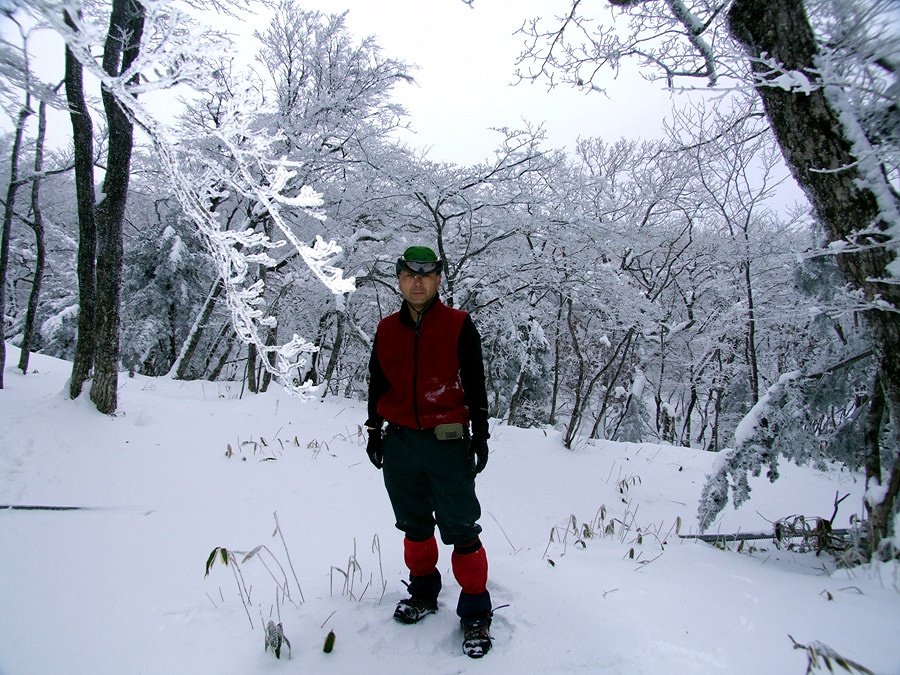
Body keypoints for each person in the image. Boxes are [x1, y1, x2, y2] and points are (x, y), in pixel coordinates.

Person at [365, 245, 494, 658]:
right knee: (414, 526)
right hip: (401, 443)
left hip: (447, 443)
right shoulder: (386, 329)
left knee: (461, 529)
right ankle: (423, 593)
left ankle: (475, 612)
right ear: (399, 280)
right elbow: (376, 383)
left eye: (426, 275)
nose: (417, 282)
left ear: (438, 279)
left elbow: (475, 382)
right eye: (409, 275)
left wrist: (482, 433)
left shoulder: (458, 324)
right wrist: (373, 430)